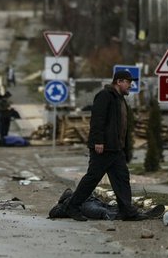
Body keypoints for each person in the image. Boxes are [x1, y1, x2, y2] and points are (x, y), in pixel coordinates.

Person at [60, 70, 142, 221]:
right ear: (119, 81)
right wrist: (99, 141)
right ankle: (72, 206)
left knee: (122, 178)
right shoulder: (105, 96)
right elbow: (97, 120)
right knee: (92, 178)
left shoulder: (120, 99)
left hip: (116, 149)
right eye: (128, 82)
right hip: (104, 148)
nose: (131, 85)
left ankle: (127, 211)